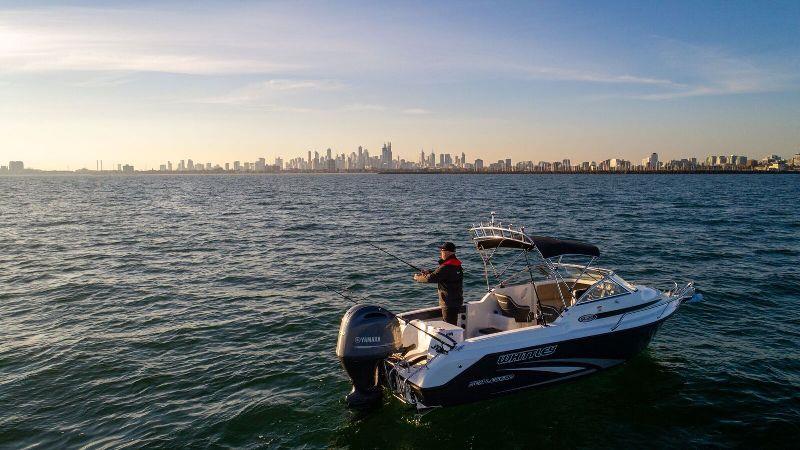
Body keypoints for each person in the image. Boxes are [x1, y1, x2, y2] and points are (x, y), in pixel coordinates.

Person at [413, 242, 464, 325]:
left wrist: (418, 278)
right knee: (452, 323)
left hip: (448, 302)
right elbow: (442, 274)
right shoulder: (456, 264)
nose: (441, 253)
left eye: (442, 251)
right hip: (457, 300)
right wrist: (429, 272)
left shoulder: (446, 267)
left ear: (448, 252)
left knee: (449, 326)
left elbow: (431, 278)